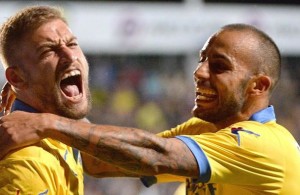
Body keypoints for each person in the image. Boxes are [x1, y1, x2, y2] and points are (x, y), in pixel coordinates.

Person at [1, 23, 300, 194]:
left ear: (258, 86)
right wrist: (48, 95)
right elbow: (103, 162)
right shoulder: (206, 131)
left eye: (219, 66)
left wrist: (44, 122)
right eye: (202, 59)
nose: (199, 72)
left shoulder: (267, 146)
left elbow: (156, 156)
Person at [0, 5, 96, 194]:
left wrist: (48, 123)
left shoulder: (62, 128)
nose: (70, 57)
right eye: (48, 51)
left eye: (72, 44)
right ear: (17, 79)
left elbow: (106, 160)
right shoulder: (25, 166)